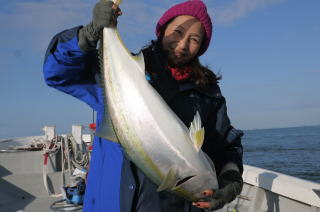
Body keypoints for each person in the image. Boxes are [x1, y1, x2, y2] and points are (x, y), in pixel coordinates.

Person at [43, 0, 244, 211]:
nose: (183, 44)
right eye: (177, 32)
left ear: (201, 47)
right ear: (163, 30)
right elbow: (57, 73)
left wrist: (231, 180)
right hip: (109, 204)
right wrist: (87, 34)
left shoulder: (207, 94)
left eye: (194, 39)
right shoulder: (121, 74)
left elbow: (226, 145)